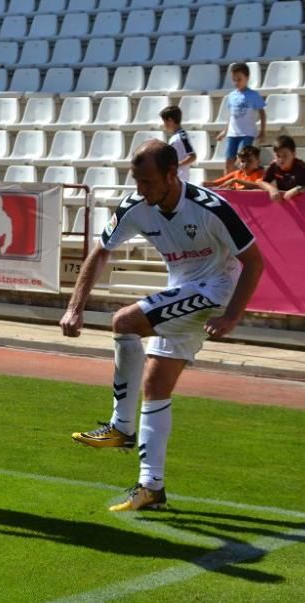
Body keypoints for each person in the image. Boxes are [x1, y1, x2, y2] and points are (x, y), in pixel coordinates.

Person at [64, 140, 263, 512]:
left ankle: (121, 427)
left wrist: (232, 315)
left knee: (124, 321)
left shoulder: (211, 208)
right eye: (136, 180)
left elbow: (254, 261)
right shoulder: (136, 206)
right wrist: (75, 307)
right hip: (182, 293)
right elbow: (101, 251)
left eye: (147, 181)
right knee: (155, 385)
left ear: (172, 175)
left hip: (217, 291)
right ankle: (150, 488)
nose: (140, 189)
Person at [216, 63, 266, 174]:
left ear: (247, 78)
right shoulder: (232, 96)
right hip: (233, 133)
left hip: (247, 133)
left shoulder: (253, 95)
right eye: (234, 80)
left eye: (239, 79)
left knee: (242, 161)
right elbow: (231, 116)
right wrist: (225, 131)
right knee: (229, 160)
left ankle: (241, 184)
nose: (236, 82)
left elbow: (262, 112)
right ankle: (227, 186)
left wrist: (262, 131)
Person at [257, 135, 305, 202]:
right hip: (285, 205)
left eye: (285, 155)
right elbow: (261, 182)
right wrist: (271, 189)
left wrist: (299, 189)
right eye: (278, 156)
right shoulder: (274, 165)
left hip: (304, 205)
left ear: (293, 154)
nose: (281, 159)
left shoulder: (302, 167)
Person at [160, 105, 196, 183]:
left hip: (180, 179)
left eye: (164, 121)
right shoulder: (176, 136)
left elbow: (192, 156)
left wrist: (177, 164)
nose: (164, 124)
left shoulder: (182, 137)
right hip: (175, 179)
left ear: (170, 120)